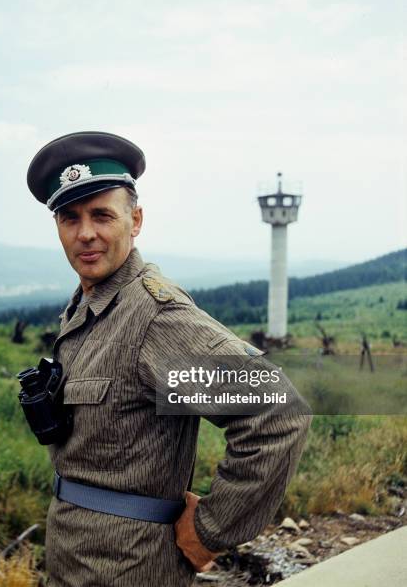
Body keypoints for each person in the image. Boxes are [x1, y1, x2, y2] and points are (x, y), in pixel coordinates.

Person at [25, 131, 312, 586]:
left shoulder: (153, 318)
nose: (85, 234)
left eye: (102, 215)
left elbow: (277, 411)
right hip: (75, 558)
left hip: (128, 569)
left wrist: (210, 531)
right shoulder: (87, 307)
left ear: (134, 220)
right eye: (69, 217)